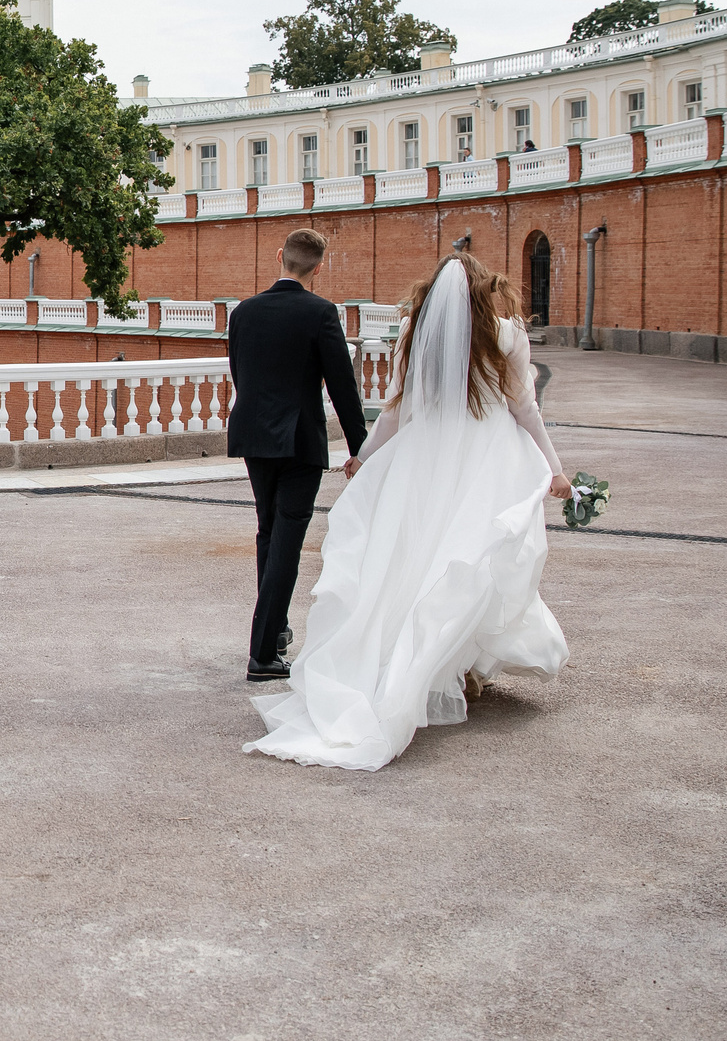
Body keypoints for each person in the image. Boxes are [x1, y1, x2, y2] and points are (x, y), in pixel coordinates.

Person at [245, 253, 572, 771]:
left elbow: (397, 410)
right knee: (475, 557)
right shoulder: (507, 334)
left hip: (424, 457)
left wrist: (364, 458)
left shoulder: (416, 335)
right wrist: (555, 468)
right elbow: (524, 407)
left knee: (416, 558)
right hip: (486, 456)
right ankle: (457, 666)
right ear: (483, 289)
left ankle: (440, 664)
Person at [226, 229, 370, 683]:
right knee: (286, 540)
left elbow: (240, 373)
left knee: (268, 532)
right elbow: (342, 387)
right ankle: (263, 653)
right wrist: (360, 449)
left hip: (254, 436)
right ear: (318, 268)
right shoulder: (321, 313)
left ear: (279, 257)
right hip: (299, 441)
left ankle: (277, 629)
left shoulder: (243, 313)